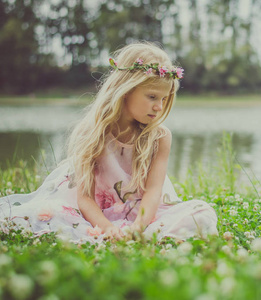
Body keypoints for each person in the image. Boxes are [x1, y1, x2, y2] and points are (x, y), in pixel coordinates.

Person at [0, 42, 218, 242]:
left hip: (141, 212)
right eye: (152, 97)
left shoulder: (159, 137)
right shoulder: (93, 133)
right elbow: (84, 199)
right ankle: (107, 233)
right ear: (125, 91)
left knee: (202, 213)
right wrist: (106, 227)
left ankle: (136, 233)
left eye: (164, 99)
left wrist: (138, 227)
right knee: (49, 215)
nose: (159, 107)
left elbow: (153, 192)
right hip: (91, 211)